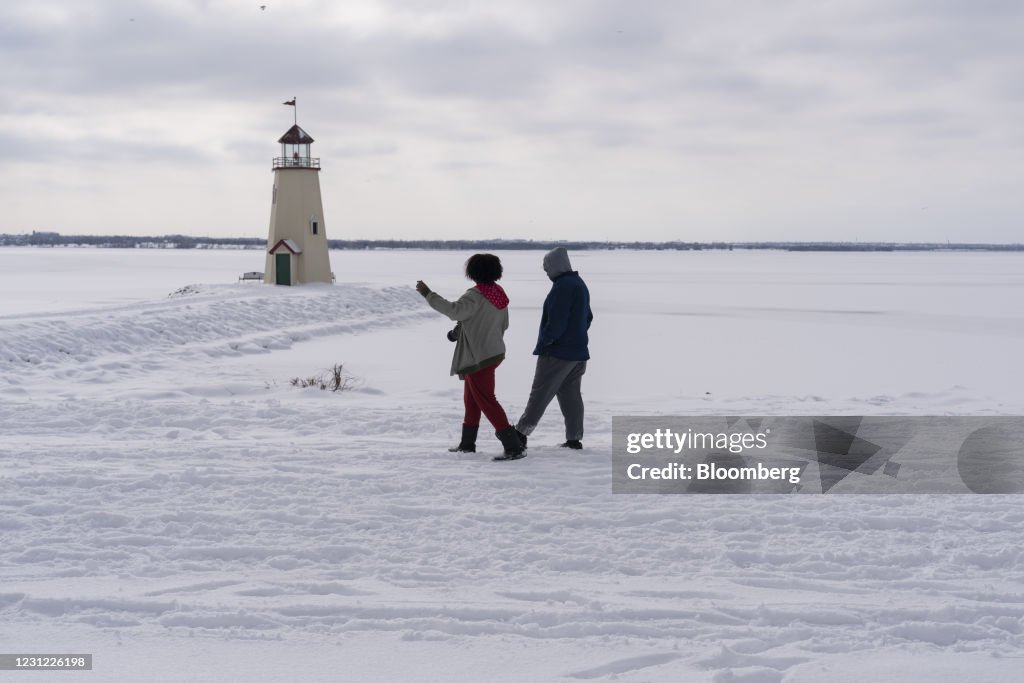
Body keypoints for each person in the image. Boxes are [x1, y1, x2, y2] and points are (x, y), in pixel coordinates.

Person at [416, 254, 526, 461]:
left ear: (473, 272)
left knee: (486, 400)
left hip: (479, 357)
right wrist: (463, 332)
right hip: (493, 352)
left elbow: (454, 311)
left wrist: (428, 294)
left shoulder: (475, 295)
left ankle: (514, 446)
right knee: (472, 400)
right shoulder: (498, 293)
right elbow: (501, 324)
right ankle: (467, 444)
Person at [515, 247, 593, 449]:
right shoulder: (579, 284)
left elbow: (556, 322)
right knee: (571, 396)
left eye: (547, 268)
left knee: (540, 393)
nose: (546, 272)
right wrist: (576, 336)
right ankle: (574, 438)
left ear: (556, 266)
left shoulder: (563, 287)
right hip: (578, 352)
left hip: (557, 353)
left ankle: (520, 434)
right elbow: (588, 317)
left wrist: (549, 340)